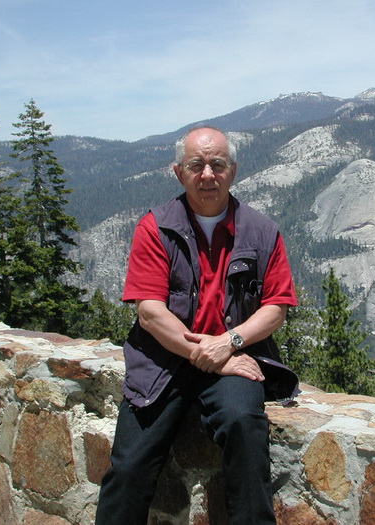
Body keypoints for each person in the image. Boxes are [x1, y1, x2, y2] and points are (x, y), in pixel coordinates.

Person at [95, 126, 299, 525]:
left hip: (234, 358)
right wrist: (206, 352)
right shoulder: (155, 228)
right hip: (161, 363)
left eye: (217, 164)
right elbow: (150, 312)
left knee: (245, 426)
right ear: (179, 173)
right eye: (196, 165)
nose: (208, 174)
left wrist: (229, 342)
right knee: (129, 468)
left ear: (233, 171)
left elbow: (276, 308)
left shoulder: (262, 231)